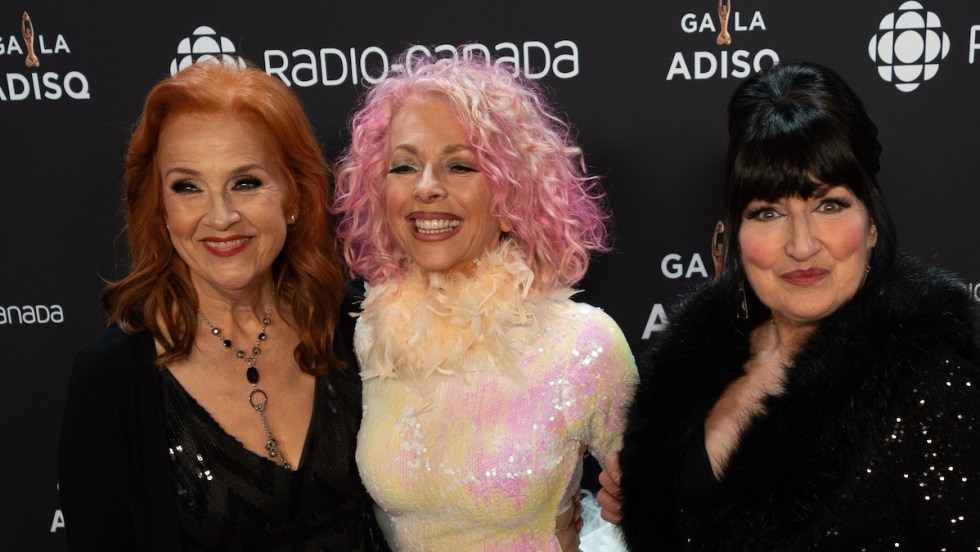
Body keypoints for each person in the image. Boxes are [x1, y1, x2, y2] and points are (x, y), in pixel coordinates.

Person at [610, 61, 980, 550]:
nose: (801, 245)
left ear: (871, 221)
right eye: (767, 212)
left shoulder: (930, 381)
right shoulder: (703, 357)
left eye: (829, 205)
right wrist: (643, 497)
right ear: (736, 231)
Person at [57, 61, 388, 551]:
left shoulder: (353, 326)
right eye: (187, 187)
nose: (220, 217)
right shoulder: (112, 380)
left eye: (246, 182)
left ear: (292, 195)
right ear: (161, 207)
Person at [333, 52, 638, 551]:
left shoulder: (583, 344)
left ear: (508, 197)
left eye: (459, 166)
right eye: (405, 166)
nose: (427, 188)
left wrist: (633, 501)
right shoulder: (368, 333)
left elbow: (661, 503)